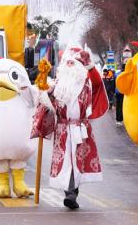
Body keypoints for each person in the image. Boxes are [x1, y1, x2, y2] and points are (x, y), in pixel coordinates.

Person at [32, 45, 108, 209]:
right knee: (66, 162)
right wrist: (44, 86)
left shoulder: (86, 81)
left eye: (75, 61)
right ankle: (70, 193)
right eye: (68, 61)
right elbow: (44, 97)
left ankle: (72, 193)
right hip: (62, 129)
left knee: (77, 162)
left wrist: (90, 66)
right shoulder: (58, 84)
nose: (71, 64)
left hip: (80, 128)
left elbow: (97, 83)